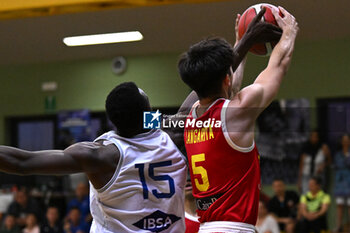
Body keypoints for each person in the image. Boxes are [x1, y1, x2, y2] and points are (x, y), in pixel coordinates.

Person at [0, 6, 281, 232]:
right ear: (147, 115)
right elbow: (203, 88)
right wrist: (243, 44)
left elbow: (23, 162)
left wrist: (242, 44)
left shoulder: (100, 155)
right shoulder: (167, 132)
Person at [178, 5, 298, 232]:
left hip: (207, 227)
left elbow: (229, 87)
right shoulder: (235, 113)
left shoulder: (191, 115)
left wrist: (241, 42)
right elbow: (278, 66)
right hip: (235, 227)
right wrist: (289, 33)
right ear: (225, 77)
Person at [298, 130, 331, 194]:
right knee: (306, 195)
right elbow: (301, 166)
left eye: (316, 136)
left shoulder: (323, 148)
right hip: (306, 175)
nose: (314, 138)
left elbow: (329, 161)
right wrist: (299, 181)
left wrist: (323, 165)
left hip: (318, 175)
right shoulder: (305, 148)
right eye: (312, 136)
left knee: (318, 196)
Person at [333, 133, 350, 232]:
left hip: (349, 180)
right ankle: (338, 226)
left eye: (347, 140)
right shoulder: (338, 154)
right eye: (344, 140)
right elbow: (337, 164)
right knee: (339, 204)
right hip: (340, 181)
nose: (345, 142)